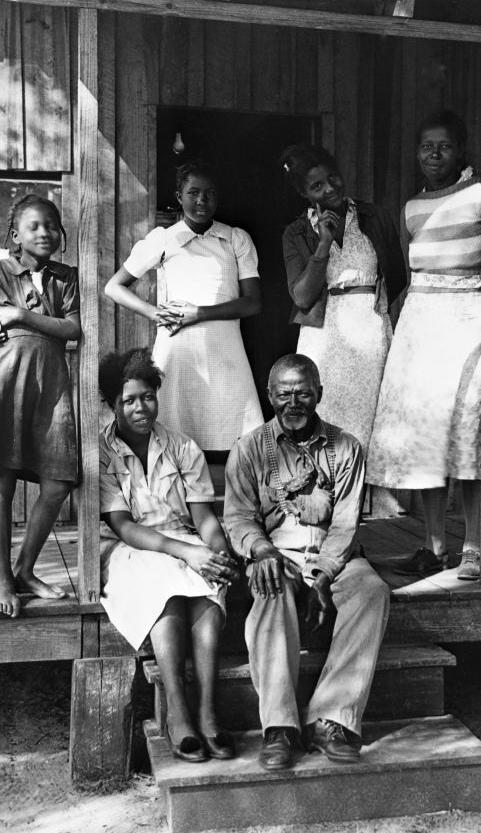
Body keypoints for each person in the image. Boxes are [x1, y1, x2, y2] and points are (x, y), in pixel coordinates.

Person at [367, 110, 481, 580]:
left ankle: (475, 548)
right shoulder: (412, 206)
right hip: (420, 332)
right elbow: (409, 275)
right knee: (425, 439)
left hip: (467, 329)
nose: (433, 154)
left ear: (461, 150)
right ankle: (434, 546)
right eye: (425, 146)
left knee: (468, 438)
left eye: (443, 145)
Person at [224, 353, 389, 771]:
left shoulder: (347, 448)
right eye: (284, 394)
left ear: (319, 394)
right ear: (269, 396)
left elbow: (346, 523)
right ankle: (279, 727)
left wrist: (322, 574)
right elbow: (239, 516)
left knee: (372, 591)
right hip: (278, 552)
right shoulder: (248, 450)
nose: (293, 402)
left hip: (336, 556)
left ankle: (331, 720)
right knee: (270, 588)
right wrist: (261, 551)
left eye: (303, 393)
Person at [98, 347, 238, 762]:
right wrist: (188, 552)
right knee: (166, 585)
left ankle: (209, 709)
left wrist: (217, 551)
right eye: (129, 400)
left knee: (207, 584)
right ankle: (177, 710)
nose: (141, 408)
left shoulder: (181, 447)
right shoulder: (102, 453)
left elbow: (204, 518)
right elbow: (124, 526)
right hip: (129, 548)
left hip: (182, 541)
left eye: (147, 397)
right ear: (112, 405)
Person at [104, 161, 263, 454]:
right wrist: (155, 312)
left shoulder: (235, 239)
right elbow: (114, 286)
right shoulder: (163, 239)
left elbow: (253, 302)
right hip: (177, 346)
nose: (202, 200)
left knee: (231, 434)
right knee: (173, 436)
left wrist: (198, 313)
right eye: (193, 192)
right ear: (179, 196)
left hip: (224, 347)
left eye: (210, 193)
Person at [280, 144, 405, 454]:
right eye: (317, 186)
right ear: (303, 193)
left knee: (369, 420)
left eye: (333, 177)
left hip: (370, 330)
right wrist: (322, 245)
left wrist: (373, 314)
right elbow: (302, 295)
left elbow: (398, 274)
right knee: (324, 417)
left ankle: (365, 501)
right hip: (323, 336)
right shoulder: (296, 232)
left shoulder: (373, 216)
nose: (330, 188)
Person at [0, 194, 80, 618]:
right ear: (14, 236)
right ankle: (2, 580)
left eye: (51, 224)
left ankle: (25, 568)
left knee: (58, 481)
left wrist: (19, 315)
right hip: (6, 380)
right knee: (3, 481)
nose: (45, 232)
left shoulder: (66, 276)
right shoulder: (1, 270)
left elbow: (71, 328)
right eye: (34, 226)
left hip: (52, 386)